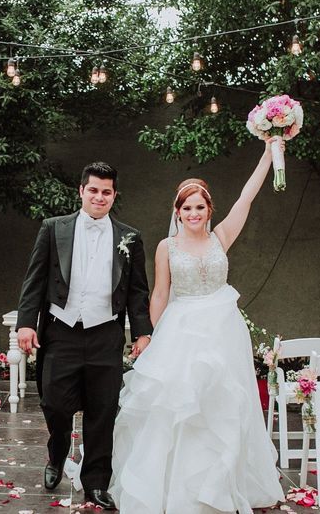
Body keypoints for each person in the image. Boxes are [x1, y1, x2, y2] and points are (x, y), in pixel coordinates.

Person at [109, 143, 285, 513]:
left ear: (208, 210)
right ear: (178, 212)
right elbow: (159, 294)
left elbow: (247, 197)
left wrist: (270, 153)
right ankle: (177, 490)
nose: (193, 213)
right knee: (179, 408)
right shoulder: (166, 247)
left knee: (223, 407)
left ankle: (220, 485)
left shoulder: (221, 237)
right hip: (181, 332)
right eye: (186, 207)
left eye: (199, 207)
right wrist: (154, 339)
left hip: (223, 333)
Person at [16, 161, 154, 510]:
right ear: (81, 191)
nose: (99, 196)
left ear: (114, 195)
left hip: (106, 332)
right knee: (54, 403)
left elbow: (138, 291)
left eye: (106, 192)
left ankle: (95, 483)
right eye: (93, 190)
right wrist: (26, 323)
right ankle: (57, 452)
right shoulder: (53, 229)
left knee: (102, 410)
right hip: (61, 330)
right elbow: (35, 280)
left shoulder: (129, 237)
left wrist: (142, 333)